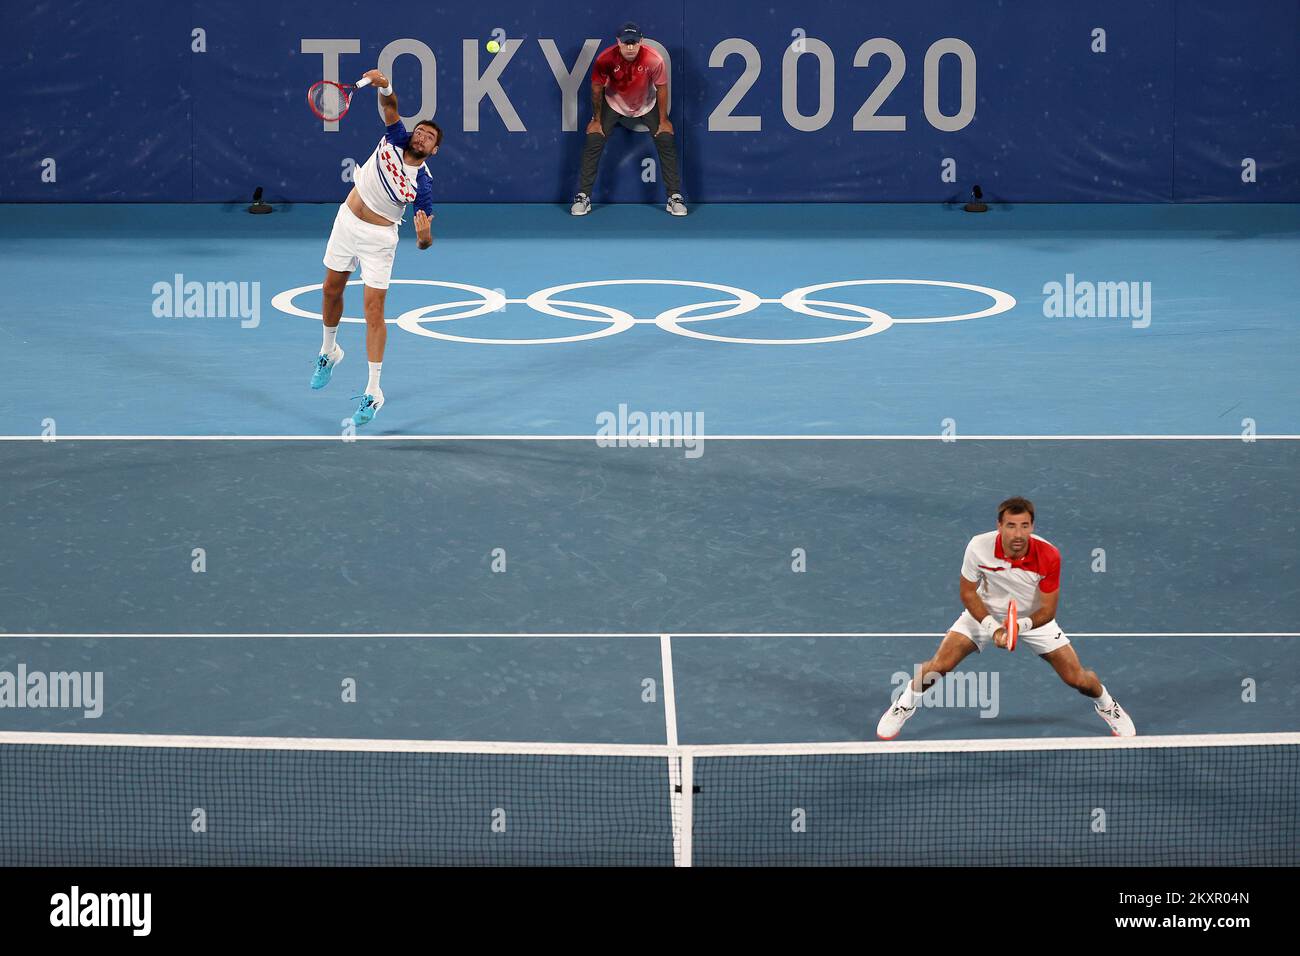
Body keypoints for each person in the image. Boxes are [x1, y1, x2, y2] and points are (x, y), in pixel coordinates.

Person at [876, 496, 1136, 739]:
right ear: (999, 525)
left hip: (1033, 619)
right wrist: (994, 628)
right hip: (985, 613)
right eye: (1011, 526)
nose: (1018, 533)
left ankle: (1107, 705)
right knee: (939, 666)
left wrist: (1016, 627)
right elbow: (968, 593)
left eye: (1025, 526)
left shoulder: (1049, 555)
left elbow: (1048, 611)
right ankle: (904, 704)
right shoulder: (978, 547)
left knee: (1077, 678)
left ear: (1032, 526)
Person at [312, 68, 441, 426]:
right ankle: (329, 351)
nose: (422, 136)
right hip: (346, 222)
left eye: (429, 137)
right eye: (421, 131)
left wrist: (424, 238)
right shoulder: (395, 138)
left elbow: (425, 237)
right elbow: (391, 107)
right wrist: (386, 85)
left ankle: (373, 392)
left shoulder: (424, 184)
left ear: (435, 149)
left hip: (379, 241)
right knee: (330, 290)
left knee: (373, 311)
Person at [570, 22, 687, 217]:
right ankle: (583, 196)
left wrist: (664, 119)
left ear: (641, 41)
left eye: (634, 43)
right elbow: (596, 89)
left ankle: (674, 197)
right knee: (594, 138)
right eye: (626, 43)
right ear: (618, 42)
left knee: (666, 138)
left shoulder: (654, 59)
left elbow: (662, 88)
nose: (630, 47)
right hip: (614, 103)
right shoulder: (605, 59)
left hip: (646, 104)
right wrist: (597, 119)